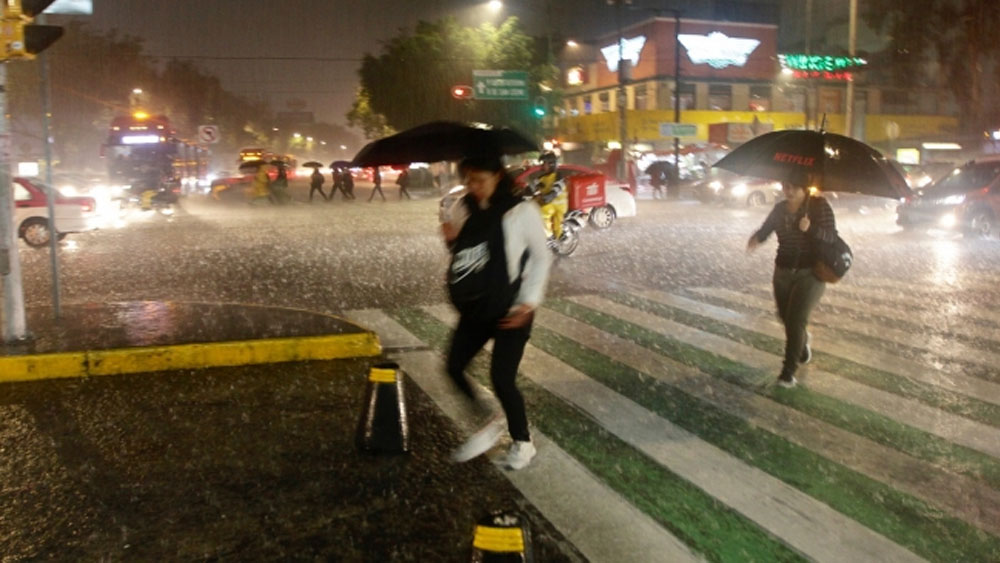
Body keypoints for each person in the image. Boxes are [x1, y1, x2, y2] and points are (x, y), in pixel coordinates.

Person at [440, 153, 552, 470]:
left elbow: (541, 258)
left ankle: (523, 444)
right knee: (453, 366)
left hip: (512, 307)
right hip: (477, 306)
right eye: (468, 180)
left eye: (480, 180)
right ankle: (487, 420)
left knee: (502, 378)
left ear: (498, 177)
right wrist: (450, 240)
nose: (473, 187)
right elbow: (468, 257)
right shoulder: (463, 208)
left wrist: (527, 304)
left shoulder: (521, 211)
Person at [747, 178, 837, 388]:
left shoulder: (818, 206)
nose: (787, 190)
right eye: (785, 186)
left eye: (793, 185)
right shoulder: (780, 209)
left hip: (811, 273)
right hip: (783, 271)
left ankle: (788, 372)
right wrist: (756, 239)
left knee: (796, 320)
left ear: (803, 187)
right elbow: (767, 229)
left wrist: (811, 229)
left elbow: (832, 237)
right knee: (785, 316)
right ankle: (802, 344)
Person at [532, 152, 568, 239]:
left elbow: (555, 192)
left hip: (558, 205)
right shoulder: (542, 177)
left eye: (545, 163)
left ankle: (549, 235)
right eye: (543, 163)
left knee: (543, 211)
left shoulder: (558, 177)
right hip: (548, 203)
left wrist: (546, 197)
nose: (543, 166)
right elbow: (533, 186)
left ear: (552, 164)